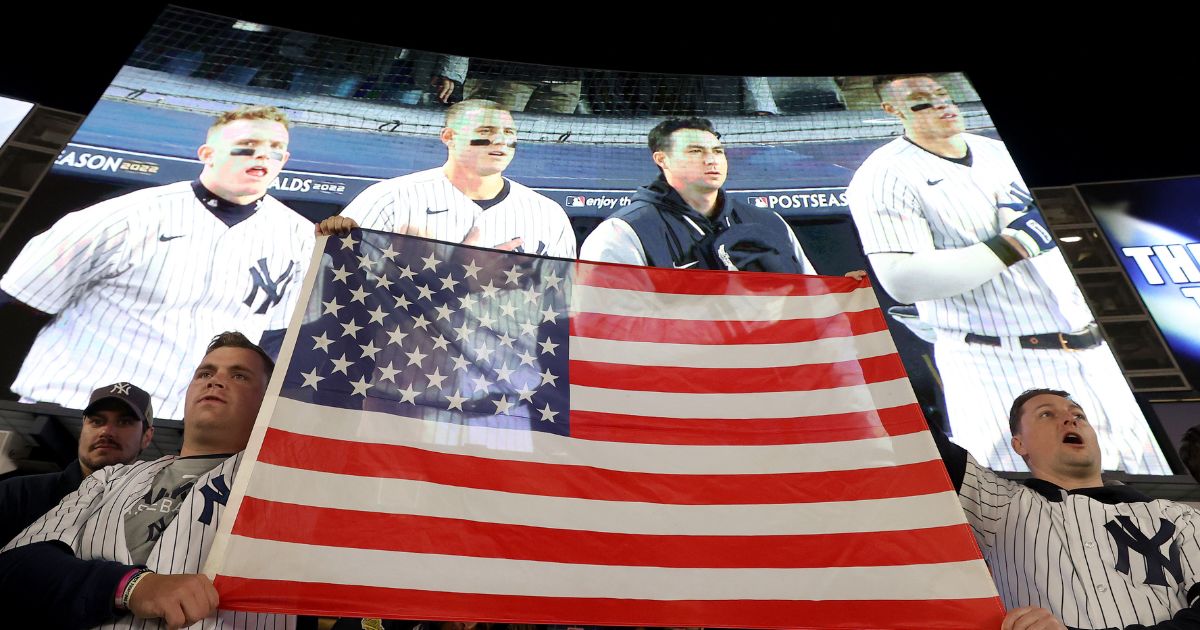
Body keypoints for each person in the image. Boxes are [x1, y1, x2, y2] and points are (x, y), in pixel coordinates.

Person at [845, 74, 1167, 474]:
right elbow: (902, 280)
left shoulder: (999, 153)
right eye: (921, 102)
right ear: (892, 111)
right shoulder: (883, 174)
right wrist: (1012, 245)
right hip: (998, 361)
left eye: (942, 96)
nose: (940, 106)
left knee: (1152, 493)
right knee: (1025, 505)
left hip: (1098, 354)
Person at [1, 105, 315, 420]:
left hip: (183, 426)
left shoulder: (300, 238)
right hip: (70, 406)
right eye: (247, 146)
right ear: (207, 154)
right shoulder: (126, 217)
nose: (262, 157)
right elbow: (20, 299)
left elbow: (273, 337)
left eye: (275, 150)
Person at [0, 332, 291, 629]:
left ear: (269, 402)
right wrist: (129, 586)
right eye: (205, 373)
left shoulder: (289, 490)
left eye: (239, 376)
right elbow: (16, 567)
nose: (214, 381)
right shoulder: (110, 477)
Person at [933, 388, 1200, 629]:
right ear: (1018, 444)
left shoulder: (1179, 516)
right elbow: (916, 431)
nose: (1070, 420)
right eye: (1047, 414)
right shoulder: (999, 504)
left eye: (1079, 415)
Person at [581, 116, 861, 279]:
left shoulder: (769, 222)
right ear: (661, 159)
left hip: (769, 367)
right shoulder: (624, 232)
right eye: (695, 151)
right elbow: (608, 320)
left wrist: (841, 295)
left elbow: (806, 299)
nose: (712, 160)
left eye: (717, 151)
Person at [316, 98, 575, 258]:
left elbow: (563, 300)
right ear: (449, 137)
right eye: (486, 130)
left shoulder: (547, 213)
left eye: (509, 132)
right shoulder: (390, 199)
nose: (501, 140)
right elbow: (335, 274)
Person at [0, 381, 155, 546]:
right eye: (96, 421)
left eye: (124, 422)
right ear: (83, 427)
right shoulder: (17, 494)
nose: (106, 431)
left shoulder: (154, 513)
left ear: (147, 436)